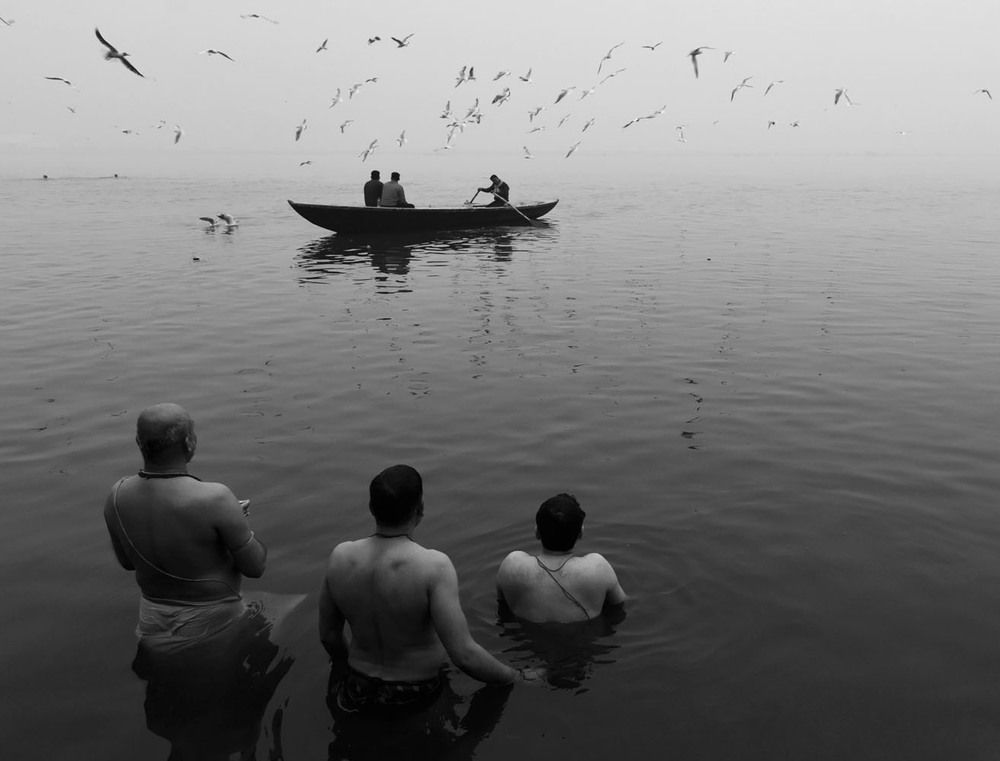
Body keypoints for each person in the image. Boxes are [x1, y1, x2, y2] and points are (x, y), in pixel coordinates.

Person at [319, 464, 540, 716]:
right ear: (420, 510)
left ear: (371, 508)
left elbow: (328, 635)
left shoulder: (340, 557)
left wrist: (350, 669)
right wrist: (516, 676)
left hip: (355, 688)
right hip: (416, 692)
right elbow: (464, 655)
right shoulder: (433, 566)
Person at [103, 402, 268, 648]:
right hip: (212, 617)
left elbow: (127, 563)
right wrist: (236, 522)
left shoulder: (116, 496)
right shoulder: (215, 498)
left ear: (138, 442)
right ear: (190, 443)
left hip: (151, 615)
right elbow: (255, 567)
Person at [496, 493, 626, 623]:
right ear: (581, 533)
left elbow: (502, 606)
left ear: (536, 532)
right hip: (582, 639)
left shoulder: (512, 565)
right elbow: (620, 605)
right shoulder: (597, 568)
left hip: (528, 639)